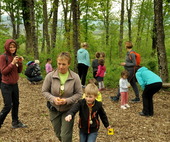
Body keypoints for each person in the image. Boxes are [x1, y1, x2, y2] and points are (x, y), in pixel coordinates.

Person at [42, 52, 82, 142]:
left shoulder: (75, 77)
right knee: (58, 133)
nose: (61, 66)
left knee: (65, 136)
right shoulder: (50, 76)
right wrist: (53, 99)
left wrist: (67, 100)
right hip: (54, 109)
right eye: (59, 63)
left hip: (68, 110)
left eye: (63, 64)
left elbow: (79, 93)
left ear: (69, 64)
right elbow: (44, 91)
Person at [0, 39, 27, 128]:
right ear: (7, 47)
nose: (12, 49)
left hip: (14, 84)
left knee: (16, 103)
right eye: (10, 47)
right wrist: (12, 63)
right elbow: (3, 71)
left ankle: (15, 122)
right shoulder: (3, 57)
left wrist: (20, 63)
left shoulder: (15, 56)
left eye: (14, 47)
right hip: (6, 85)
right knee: (8, 105)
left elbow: (19, 71)